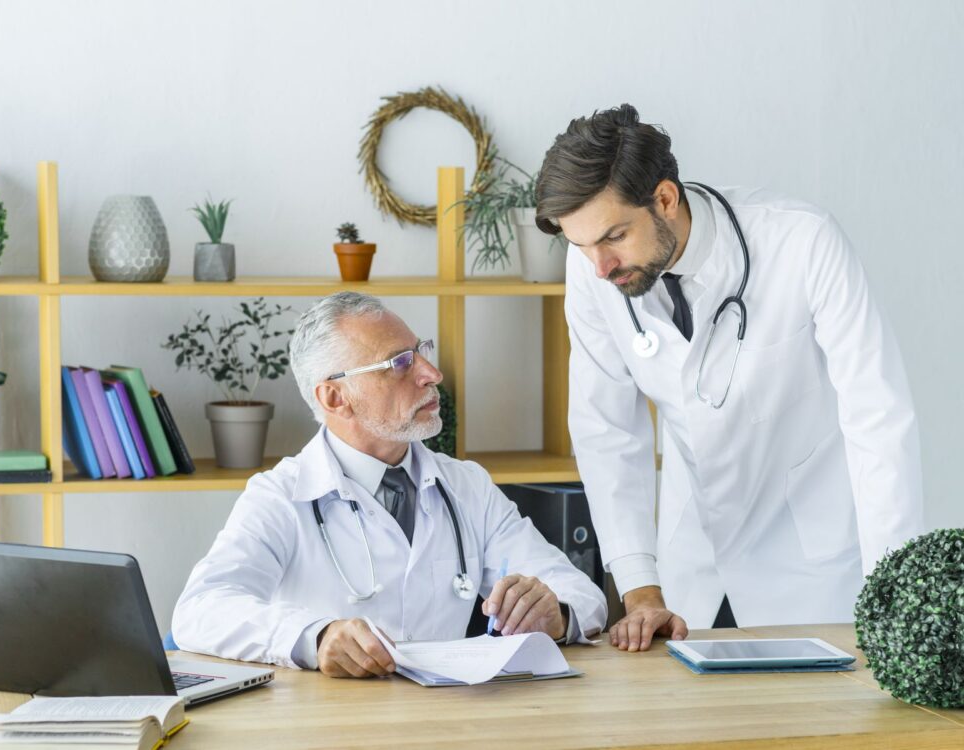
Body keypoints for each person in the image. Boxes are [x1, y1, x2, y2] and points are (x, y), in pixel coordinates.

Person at [534, 103, 923, 653]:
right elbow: (607, 432)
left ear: (665, 199)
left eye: (614, 236)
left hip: (810, 566)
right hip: (689, 566)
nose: (599, 266)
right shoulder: (593, 269)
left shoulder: (803, 242)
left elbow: (877, 420)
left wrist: (895, 594)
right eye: (581, 245)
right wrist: (641, 589)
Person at [172, 292, 607, 677]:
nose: (431, 373)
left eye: (420, 352)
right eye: (399, 363)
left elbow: (582, 594)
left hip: (450, 726)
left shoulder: (466, 486)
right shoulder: (281, 495)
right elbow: (199, 611)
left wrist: (557, 613)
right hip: (330, 731)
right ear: (334, 397)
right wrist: (315, 637)